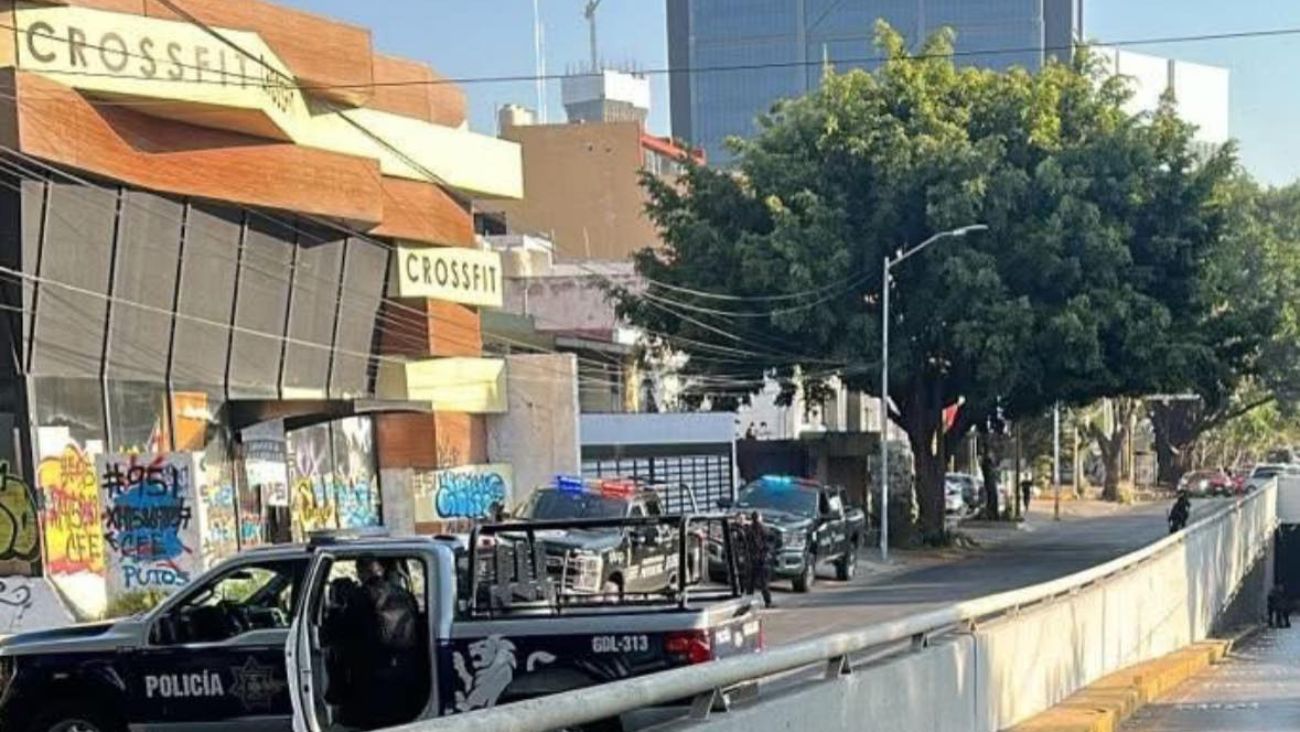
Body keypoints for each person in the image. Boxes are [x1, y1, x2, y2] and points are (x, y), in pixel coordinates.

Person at [346, 556, 425, 729]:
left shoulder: (359, 596)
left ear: (361, 573)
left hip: (373, 669)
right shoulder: (405, 594)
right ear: (380, 570)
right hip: (406, 665)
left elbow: (346, 631)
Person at [747, 511, 772, 609]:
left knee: (751, 583)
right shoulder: (764, 529)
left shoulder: (749, 529)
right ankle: (768, 602)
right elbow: (769, 542)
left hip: (752, 558)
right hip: (762, 559)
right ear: (759, 518)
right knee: (763, 583)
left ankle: (747, 602)